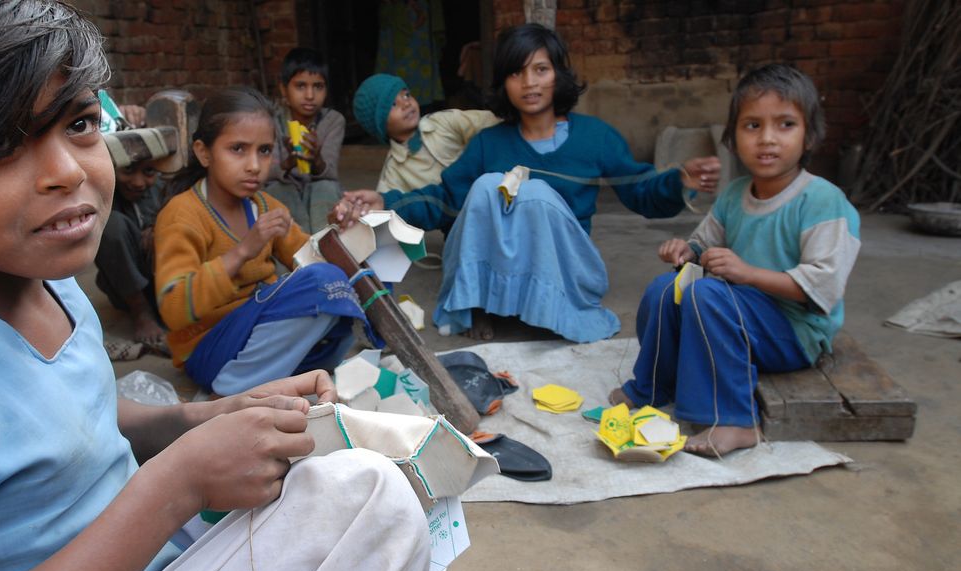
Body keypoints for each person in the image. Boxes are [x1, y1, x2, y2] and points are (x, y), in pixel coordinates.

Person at [0, 3, 429, 571]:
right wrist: (180, 483)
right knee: (371, 503)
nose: (69, 170)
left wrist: (208, 419)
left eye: (79, 123)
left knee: (340, 470)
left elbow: (86, 418)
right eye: (1, 143)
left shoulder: (50, 283)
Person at [333, 23, 721, 342]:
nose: (529, 83)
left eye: (541, 69)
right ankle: (485, 303)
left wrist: (677, 180)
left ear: (559, 75)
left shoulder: (595, 136)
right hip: (502, 262)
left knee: (532, 190)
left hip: (565, 267)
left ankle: (546, 307)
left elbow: (640, 189)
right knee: (486, 186)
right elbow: (444, 200)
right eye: (516, 72)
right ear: (504, 83)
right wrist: (385, 200)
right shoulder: (489, 142)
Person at [609, 64, 861, 456]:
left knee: (707, 295)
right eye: (752, 126)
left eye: (785, 125)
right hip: (737, 316)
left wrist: (748, 274)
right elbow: (703, 243)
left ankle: (737, 420)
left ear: (809, 135)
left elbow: (821, 288)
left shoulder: (823, 202)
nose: (768, 139)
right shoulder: (735, 194)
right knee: (665, 289)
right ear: (732, 137)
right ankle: (652, 387)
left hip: (793, 333)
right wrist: (685, 250)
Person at [156, 86, 372, 396]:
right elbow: (173, 308)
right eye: (238, 149)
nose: (254, 165)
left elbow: (311, 260)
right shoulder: (182, 215)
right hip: (210, 350)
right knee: (324, 283)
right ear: (204, 152)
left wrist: (338, 230)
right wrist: (244, 250)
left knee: (347, 276)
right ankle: (234, 391)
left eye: (265, 151)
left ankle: (283, 380)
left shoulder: (267, 206)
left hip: (260, 336)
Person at [352, 72, 500, 193]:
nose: (406, 103)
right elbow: (385, 211)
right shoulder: (393, 172)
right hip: (457, 222)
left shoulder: (442, 121)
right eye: (393, 104)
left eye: (406, 95)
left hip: (494, 193)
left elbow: (489, 121)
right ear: (380, 126)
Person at [263, 47, 344, 232]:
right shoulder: (271, 120)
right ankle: (295, 254)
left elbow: (330, 174)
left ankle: (325, 250)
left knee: (326, 188)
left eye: (318, 86)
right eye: (300, 86)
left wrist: (316, 159)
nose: (310, 95)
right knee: (279, 190)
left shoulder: (333, 120)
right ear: (284, 88)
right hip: (283, 189)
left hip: (318, 189)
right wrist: (288, 163)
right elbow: (264, 173)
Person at [94, 156, 165, 347]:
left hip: (166, 280)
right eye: (128, 171)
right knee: (110, 225)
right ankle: (142, 312)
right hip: (123, 288)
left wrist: (161, 227)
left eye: (149, 172)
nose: (138, 182)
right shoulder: (101, 194)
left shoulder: (165, 188)